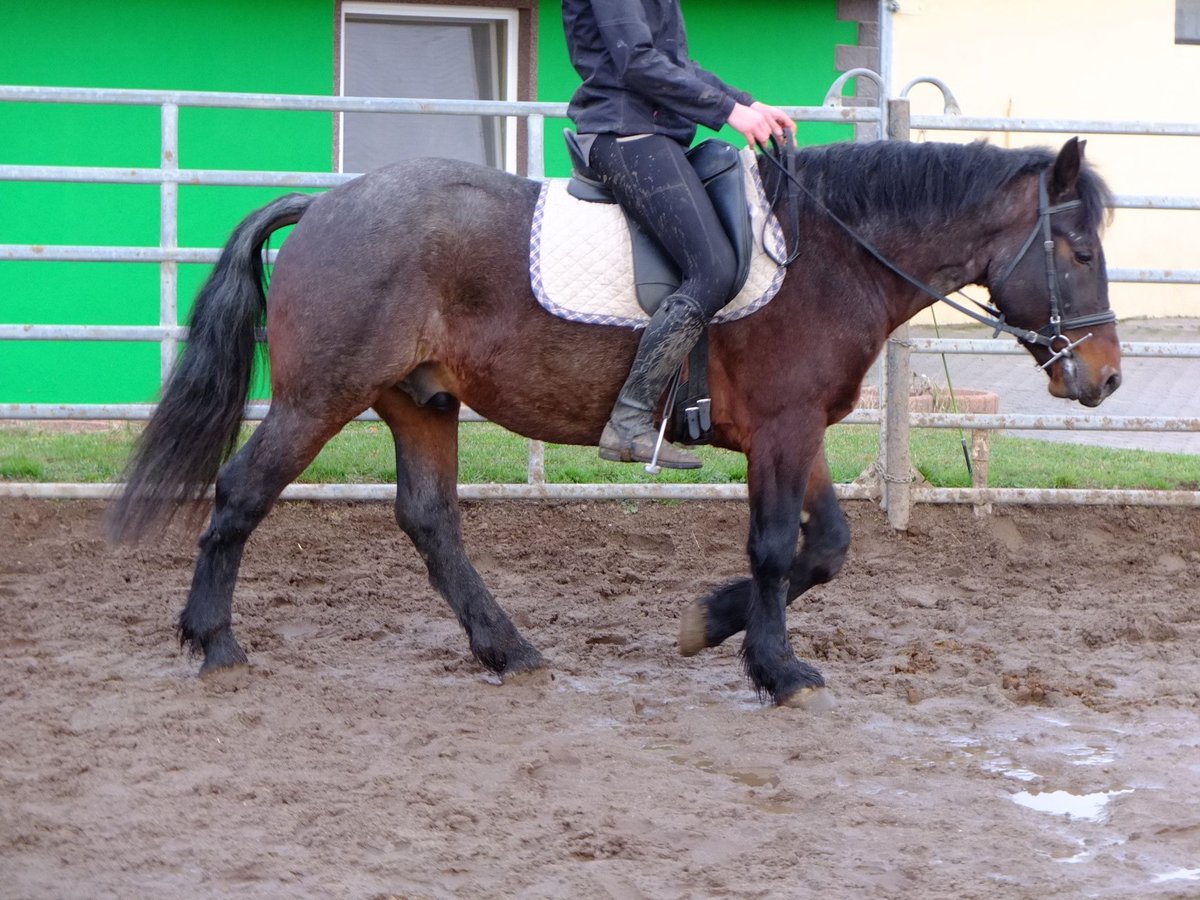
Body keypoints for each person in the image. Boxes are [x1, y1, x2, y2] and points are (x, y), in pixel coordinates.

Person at [563, 0, 795, 468]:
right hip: (623, 132)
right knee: (712, 268)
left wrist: (747, 103)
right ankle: (628, 422)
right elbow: (636, 62)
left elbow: (677, 64)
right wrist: (730, 112)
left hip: (657, 135)